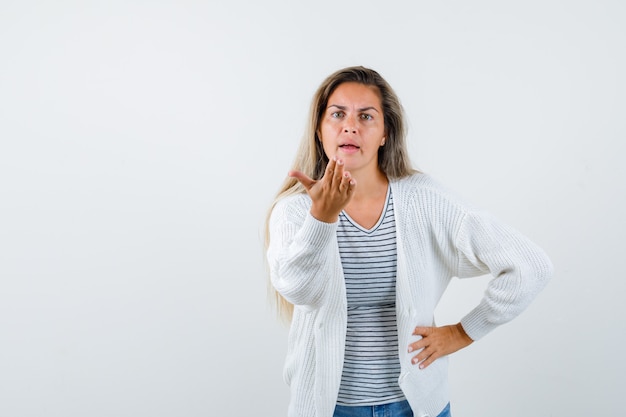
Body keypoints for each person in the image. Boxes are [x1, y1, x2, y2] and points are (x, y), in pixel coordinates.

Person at [264, 66, 552, 417]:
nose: (350, 126)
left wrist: (463, 332)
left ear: (385, 132)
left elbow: (530, 265)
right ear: (320, 129)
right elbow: (300, 292)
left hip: (415, 407)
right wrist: (321, 219)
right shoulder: (294, 211)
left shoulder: (424, 200)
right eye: (337, 114)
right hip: (330, 408)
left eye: (366, 116)